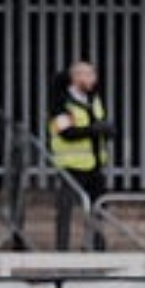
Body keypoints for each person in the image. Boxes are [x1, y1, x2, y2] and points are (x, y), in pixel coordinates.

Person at [49, 61, 114, 252]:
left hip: (95, 164)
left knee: (98, 208)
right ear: (76, 77)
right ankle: (62, 249)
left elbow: (99, 121)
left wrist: (108, 130)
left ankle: (96, 246)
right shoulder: (61, 102)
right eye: (89, 75)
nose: (93, 79)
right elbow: (65, 132)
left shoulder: (93, 99)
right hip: (71, 165)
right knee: (65, 210)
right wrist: (93, 130)